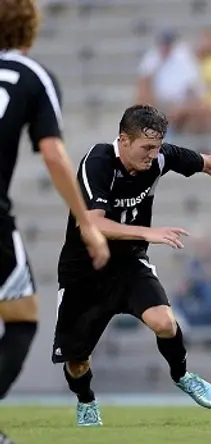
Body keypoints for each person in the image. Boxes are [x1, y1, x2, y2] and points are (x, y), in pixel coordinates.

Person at [52, 104, 211, 426]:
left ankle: (182, 375)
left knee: (165, 323)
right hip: (84, 271)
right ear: (123, 140)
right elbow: (91, 225)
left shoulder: (160, 157)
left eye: (156, 147)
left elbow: (208, 163)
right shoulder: (98, 162)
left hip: (128, 265)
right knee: (77, 361)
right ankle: (86, 400)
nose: (153, 155)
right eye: (146, 148)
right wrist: (148, 232)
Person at [0, 0, 109, 412]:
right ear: (30, 28)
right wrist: (86, 221)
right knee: (23, 317)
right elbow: (52, 154)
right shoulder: (33, 76)